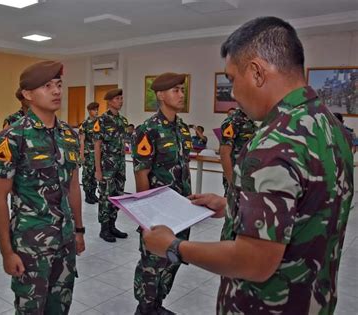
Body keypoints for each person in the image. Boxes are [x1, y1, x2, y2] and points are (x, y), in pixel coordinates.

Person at [142, 16, 353, 314]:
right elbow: (308, 207)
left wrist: (174, 247)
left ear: (256, 72)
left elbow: (253, 261)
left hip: (266, 305)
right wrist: (233, 207)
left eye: (232, 80)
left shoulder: (273, 141)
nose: (234, 94)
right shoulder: (326, 124)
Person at [0, 60, 85, 314]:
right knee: (30, 309)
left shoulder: (69, 135)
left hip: (65, 240)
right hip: (31, 244)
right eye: (47, 86)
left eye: (58, 85)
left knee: (60, 306)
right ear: (27, 94)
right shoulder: (12, 138)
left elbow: (73, 186)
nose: (56, 91)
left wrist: (78, 229)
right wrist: (7, 252)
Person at [132, 72, 193, 315]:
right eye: (176, 90)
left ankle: (157, 304)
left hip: (182, 212)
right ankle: (145, 308)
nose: (181, 94)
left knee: (172, 261)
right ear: (160, 95)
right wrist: (147, 218)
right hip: (158, 212)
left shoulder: (182, 128)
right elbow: (141, 174)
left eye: (182, 89)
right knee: (151, 265)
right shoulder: (148, 129)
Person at [93, 88, 129, 242]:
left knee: (118, 196)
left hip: (120, 164)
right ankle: (104, 228)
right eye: (117, 99)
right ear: (109, 101)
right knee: (105, 196)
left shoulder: (122, 120)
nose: (120, 101)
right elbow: (97, 145)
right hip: (106, 165)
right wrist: (98, 169)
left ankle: (112, 225)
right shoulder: (101, 120)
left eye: (121, 98)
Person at [219, 108, 256, 195]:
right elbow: (224, 154)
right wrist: (232, 184)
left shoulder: (253, 120)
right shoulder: (232, 121)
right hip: (237, 176)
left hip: (250, 176)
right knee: (234, 206)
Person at [79, 101, 99, 204]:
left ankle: (93, 193)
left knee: (95, 174)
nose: (96, 112)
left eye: (97, 110)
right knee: (87, 174)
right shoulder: (85, 124)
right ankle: (87, 195)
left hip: (97, 154)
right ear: (89, 111)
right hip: (88, 154)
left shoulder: (99, 123)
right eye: (94, 110)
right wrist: (81, 155)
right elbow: (81, 140)